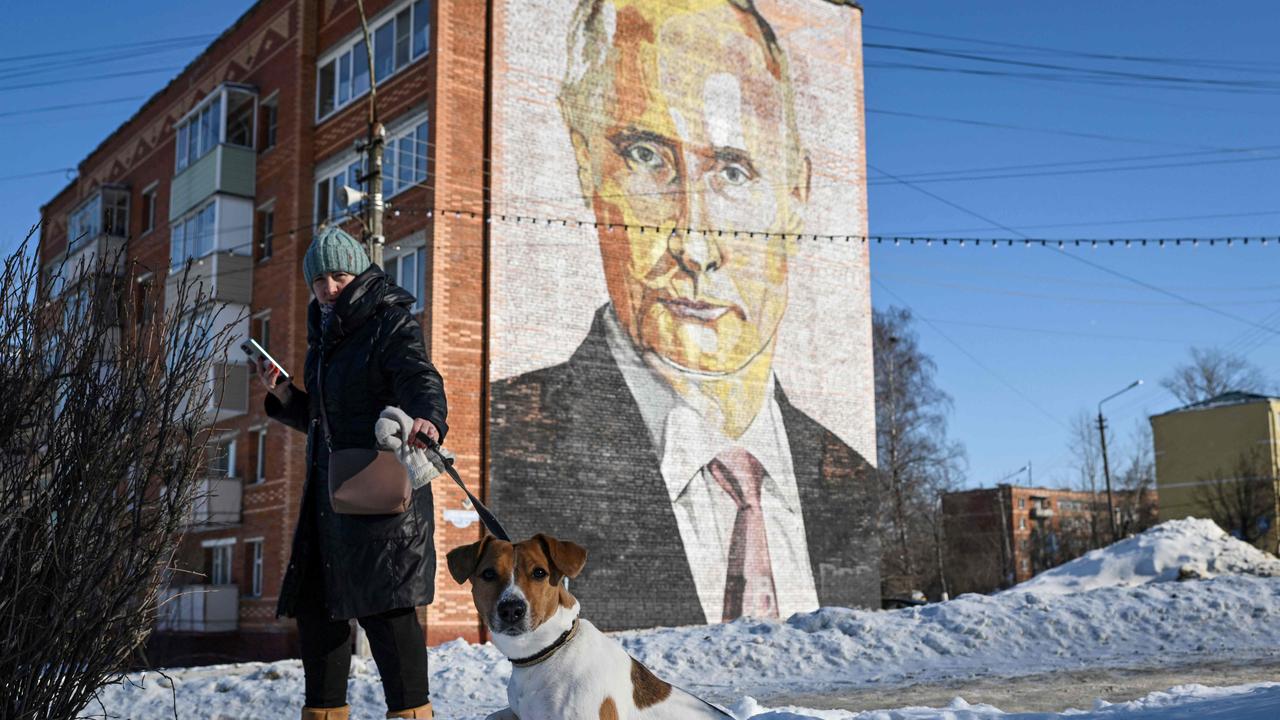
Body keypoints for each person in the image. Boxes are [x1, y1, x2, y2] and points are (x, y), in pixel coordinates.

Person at [489, 0, 879, 631]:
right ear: (585, 158)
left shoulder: (853, 482)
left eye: (733, 170)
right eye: (646, 156)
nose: (694, 247)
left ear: (797, 195)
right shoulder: (510, 443)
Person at [256, 226, 446, 720]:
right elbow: (325, 420)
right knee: (318, 611)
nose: (329, 287)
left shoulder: (389, 321)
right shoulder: (323, 337)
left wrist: (428, 416)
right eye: (319, 279)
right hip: (328, 500)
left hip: (378, 496)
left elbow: (419, 376)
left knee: (387, 612)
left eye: (339, 275)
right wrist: (283, 396)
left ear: (359, 273)